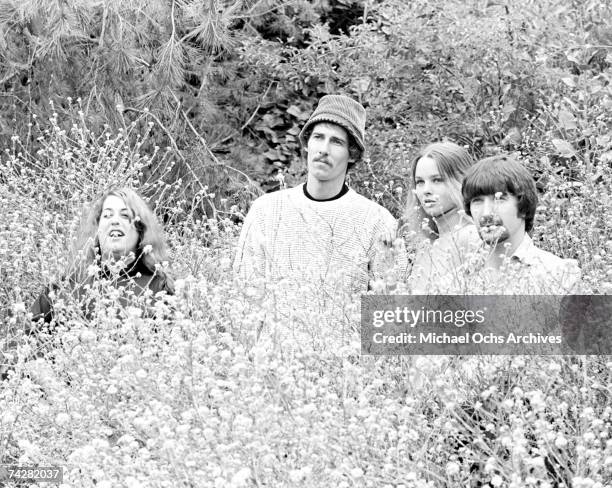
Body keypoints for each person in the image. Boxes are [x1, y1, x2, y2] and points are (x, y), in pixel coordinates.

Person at [234, 94, 405, 303]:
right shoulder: (266, 210)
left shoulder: (376, 221)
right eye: (318, 137)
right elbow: (244, 297)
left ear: (351, 154)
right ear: (307, 144)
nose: (324, 150)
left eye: (336, 142)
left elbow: (392, 308)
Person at [30, 188, 174, 325]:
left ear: (140, 230)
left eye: (125, 215)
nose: (115, 221)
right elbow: (27, 338)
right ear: (97, 230)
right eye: (107, 215)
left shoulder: (160, 287)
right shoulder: (66, 287)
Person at [461, 154, 580, 294]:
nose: (486, 212)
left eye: (499, 199)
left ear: (523, 207)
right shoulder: (455, 282)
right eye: (477, 201)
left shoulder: (559, 276)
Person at [404, 141, 481, 293]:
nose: (426, 190)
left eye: (437, 180)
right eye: (420, 182)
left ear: (461, 181)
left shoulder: (474, 237)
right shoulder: (425, 247)